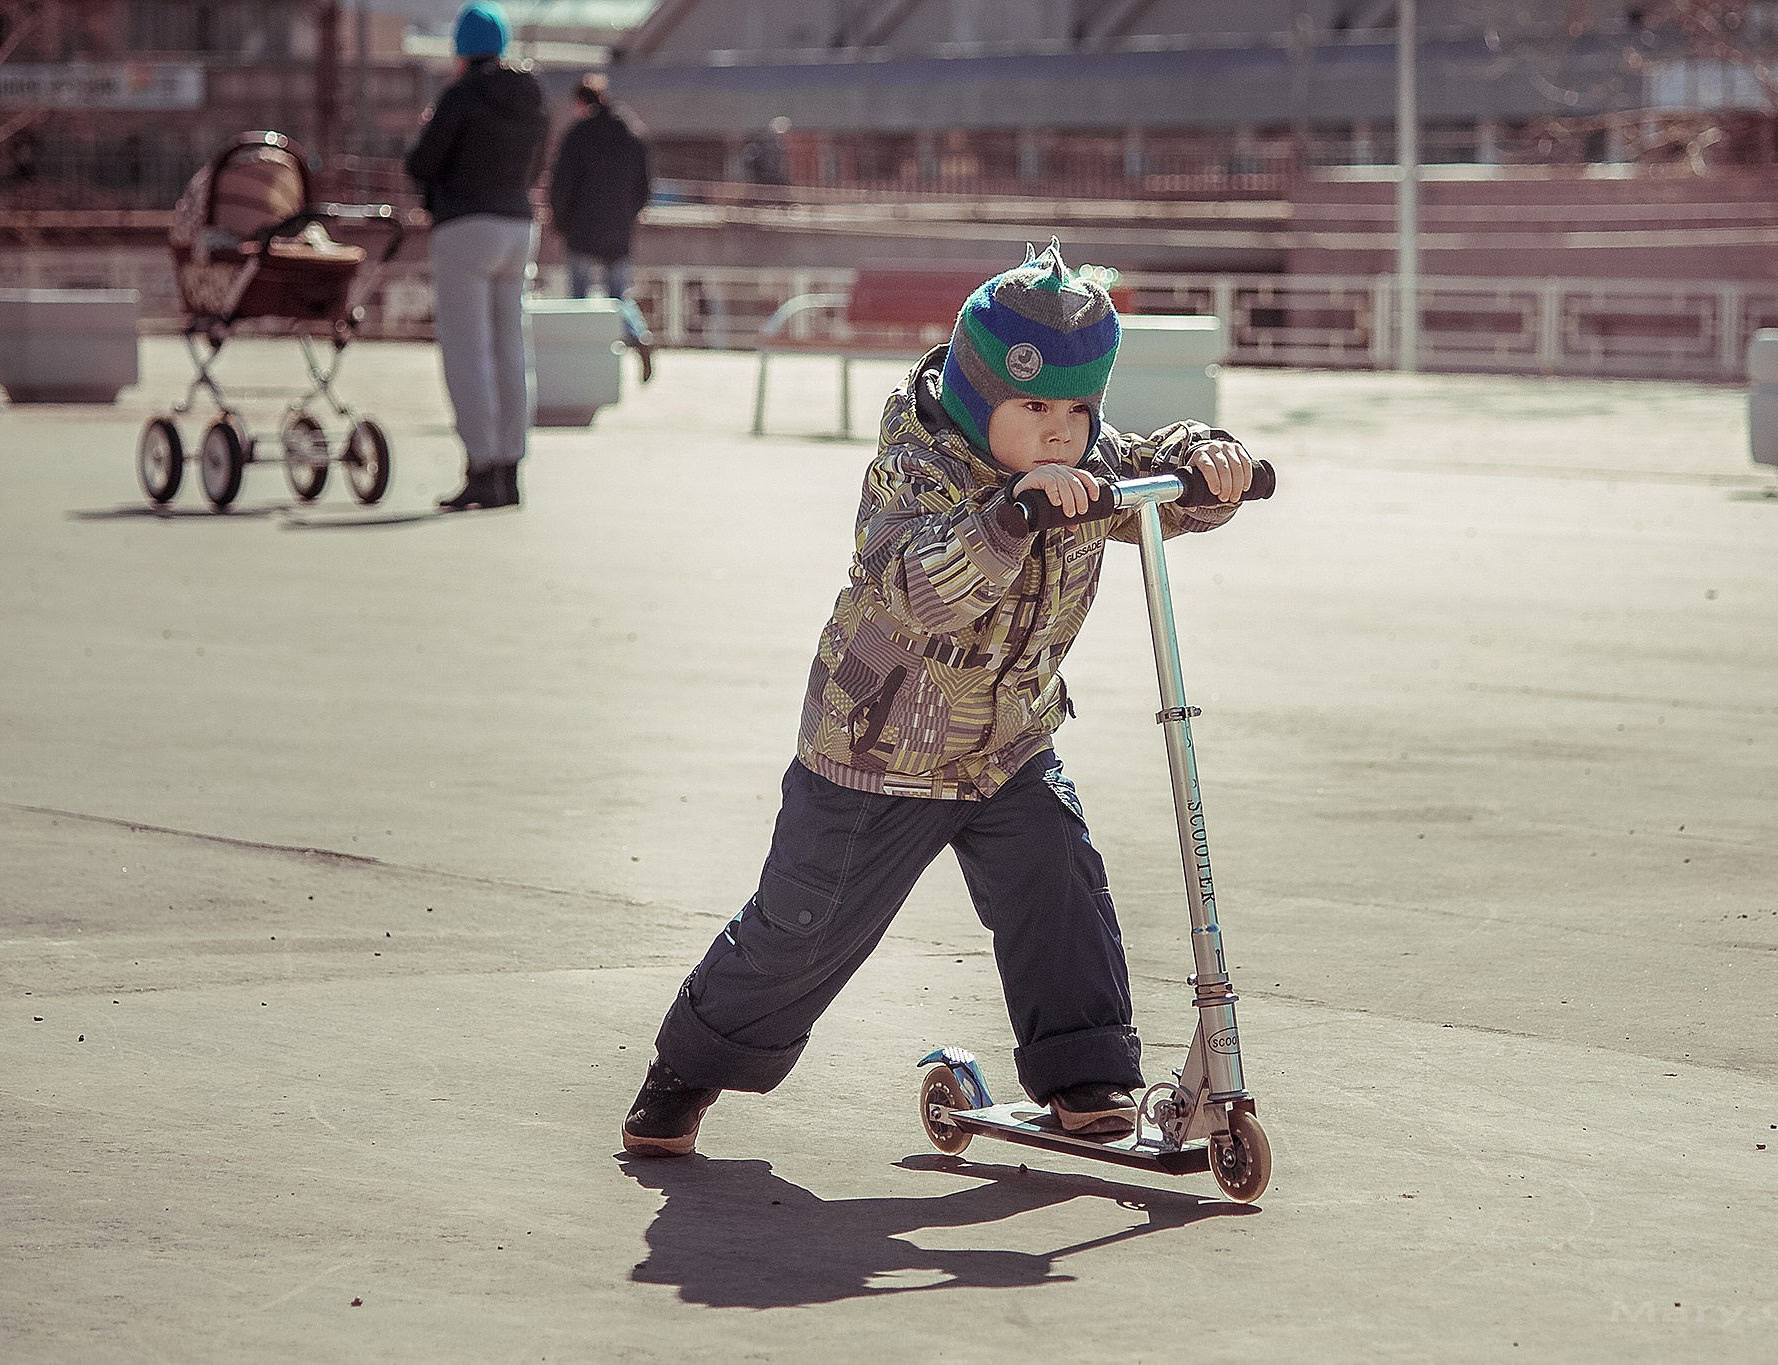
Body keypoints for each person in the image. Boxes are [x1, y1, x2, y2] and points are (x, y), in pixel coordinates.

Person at [622, 242, 1258, 1158]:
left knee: (1060, 881)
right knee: (802, 932)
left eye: (1077, 410)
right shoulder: (916, 468)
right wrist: (1009, 517)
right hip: (879, 749)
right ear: (973, 397)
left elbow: (1143, 479)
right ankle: (687, 1068)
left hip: (1007, 742)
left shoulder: (1081, 457)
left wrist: (1204, 465)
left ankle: (1086, 1077)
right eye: (1032, 407)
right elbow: (918, 585)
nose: (1059, 433)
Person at [403, 2, 549, 511]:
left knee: (468, 352)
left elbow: (423, 162)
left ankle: (481, 467)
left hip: (465, 227)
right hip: (517, 225)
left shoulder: (461, 94)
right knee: (512, 348)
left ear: (461, 50)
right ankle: (511, 468)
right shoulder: (531, 94)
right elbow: (537, 164)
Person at [547, 73, 656, 384]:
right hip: (619, 232)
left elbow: (561, 185)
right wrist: (626, 216)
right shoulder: (632, 132)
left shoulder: (577, 134)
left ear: (581, 103)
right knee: (619, 297)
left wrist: (561, 222)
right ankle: (638, 336)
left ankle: (581, 370)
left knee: (579, 301)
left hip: (580, 231)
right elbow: (644, 187)